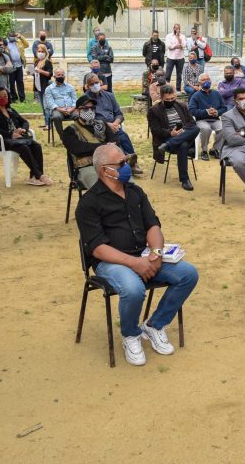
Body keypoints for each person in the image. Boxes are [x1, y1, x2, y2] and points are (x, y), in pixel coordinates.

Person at [75, 144, 199, 366]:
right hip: (110, 262)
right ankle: (130, 334)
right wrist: (135, 263)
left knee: (188, 274)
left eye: (128, 161)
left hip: (144, 255)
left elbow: (153, 225)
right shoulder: (89, 203)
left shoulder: (135, 192)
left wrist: (157, 253)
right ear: (105, 170)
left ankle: (154, 325)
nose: (127, 167)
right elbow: (97, 248)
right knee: (133, 289)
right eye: (122, 163)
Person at [0, 87, 54, 186]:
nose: (3, 98)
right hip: (2, 141)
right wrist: (10, 134)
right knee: (24, 148)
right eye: (0, 96)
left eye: (5, 96)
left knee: (36, 146)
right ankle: (40, 175)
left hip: (18, 138)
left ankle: (33, 177)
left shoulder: (10, 110)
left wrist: (23, 129)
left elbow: (24, 122)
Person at [84, 73, 143, 175]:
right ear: (87, 86)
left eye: (97, 82)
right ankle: (126, 160)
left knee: (123, 136)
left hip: (114, 126)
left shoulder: (109, 96)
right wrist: (107, 125)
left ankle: (133, 163)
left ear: (101, 82)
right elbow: (88, 121)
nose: (95, 85)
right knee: (115, 138)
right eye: (92, 84)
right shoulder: (85, 99)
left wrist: (116, 123)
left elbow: (119, 114)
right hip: (98, 128)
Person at [147, 86, 199, 191]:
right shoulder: (154, 111)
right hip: (166, 138)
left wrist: (182, 130)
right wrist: (170, 133)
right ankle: (185, 180)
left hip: (183, 134)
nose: (170, 101)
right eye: (167, 100)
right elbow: (155, 131)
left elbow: (192, 123)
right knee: (183, 145)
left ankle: (168, 146)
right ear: (161, 98)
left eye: (172, 98)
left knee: (196, 128)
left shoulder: (182, 105)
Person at [63, 94, 117, 190]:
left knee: (127, 182)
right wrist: (105, 146)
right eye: (85, 108)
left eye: (92, 108)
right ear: (77, 111)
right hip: (86, 167)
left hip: (109, 164)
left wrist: (102, 147)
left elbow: (115, 141)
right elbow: (79, 149)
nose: (90, 110)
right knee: (101, 187)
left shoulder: (102, 124)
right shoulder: (69, 131)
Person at [189, 73, 227, 160]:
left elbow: (224, 108)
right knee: (206, 129)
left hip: (215, 119)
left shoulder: (216, 94)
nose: (206, 81)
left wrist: (217, 112)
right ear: (199, 83)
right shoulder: (196, 95)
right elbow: (191, 110)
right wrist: (206, 112)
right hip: (201, 120)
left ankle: (215, 149)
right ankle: (204, 151)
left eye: (208, 79)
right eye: (203, 80)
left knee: (223, 128)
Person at [43, 68, 77, 138]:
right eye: (58, 75)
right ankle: (63, 137)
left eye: (62, 75)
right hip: (57, 110)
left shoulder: (70, 87)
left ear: (64, 76)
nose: (61, 76)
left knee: (79, 116)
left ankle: (78, 135)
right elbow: (50, 103)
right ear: (54, 77)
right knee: (56, 117)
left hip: (71, 109)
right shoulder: (49, 89)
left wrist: (71, 109)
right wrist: (60, 109)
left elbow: (75, 100)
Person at [32, 42, 53, 129]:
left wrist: (40, 71)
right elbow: (35, 73)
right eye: (39, 51)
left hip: (45, 86)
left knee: (46, 105)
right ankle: (46, 122)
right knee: (42, 106)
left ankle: (49, 124)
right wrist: (31, 72)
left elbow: (49, 74)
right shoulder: (37, 61)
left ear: (45, 52)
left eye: (42, 51)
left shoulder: (47, 61)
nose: (40, 53)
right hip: (38, 85)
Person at [6, 31, 29, 103]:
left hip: (19, 65)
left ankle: (22, 98)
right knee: (11, 82)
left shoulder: (18, 41)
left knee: (20, 82)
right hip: (11, 66)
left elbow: (27, 45)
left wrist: (20, 37)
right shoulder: (5, 43)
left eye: (14, 36)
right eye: (11, 36)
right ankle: (14, 98)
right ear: (8, 36)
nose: (13, 38)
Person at [165, 23, 187, 90]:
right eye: (175, 28)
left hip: (180, 58)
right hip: (171, 58)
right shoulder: (169, 36)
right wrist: (176, 46)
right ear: (173, 28)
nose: (177, 29)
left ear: (179, 29)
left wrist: (178, 37)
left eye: (178, 28)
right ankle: (166, 89)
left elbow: (184, 45)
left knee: (179, 75)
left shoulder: (182, 36)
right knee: (168, 74)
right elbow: (168, 46)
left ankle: (178, 89)